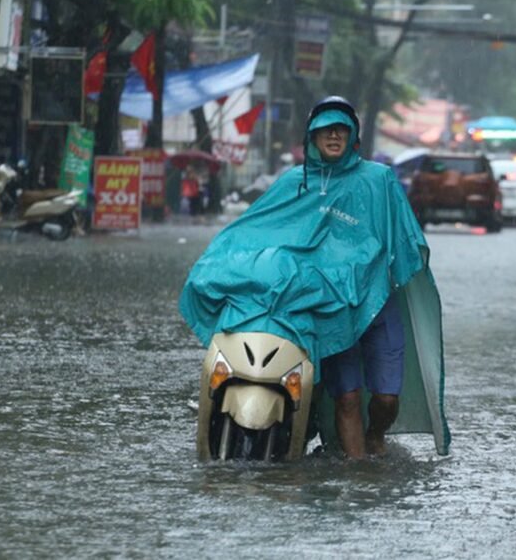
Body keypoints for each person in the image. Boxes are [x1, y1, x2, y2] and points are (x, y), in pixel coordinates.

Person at [179, 96, 450, 459]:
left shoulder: (379, 180)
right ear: (312, 136)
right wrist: (226, 263)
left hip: (374, 303)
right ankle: (356, 476)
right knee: (347, 399)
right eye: (325, 129)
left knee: (386, 399)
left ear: (353, 134)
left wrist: (388, 267)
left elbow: (404, 236)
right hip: (325, 309)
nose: (334, 135)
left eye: (341, 129)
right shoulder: (294, 182)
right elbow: (255, 231)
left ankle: (376, 435)